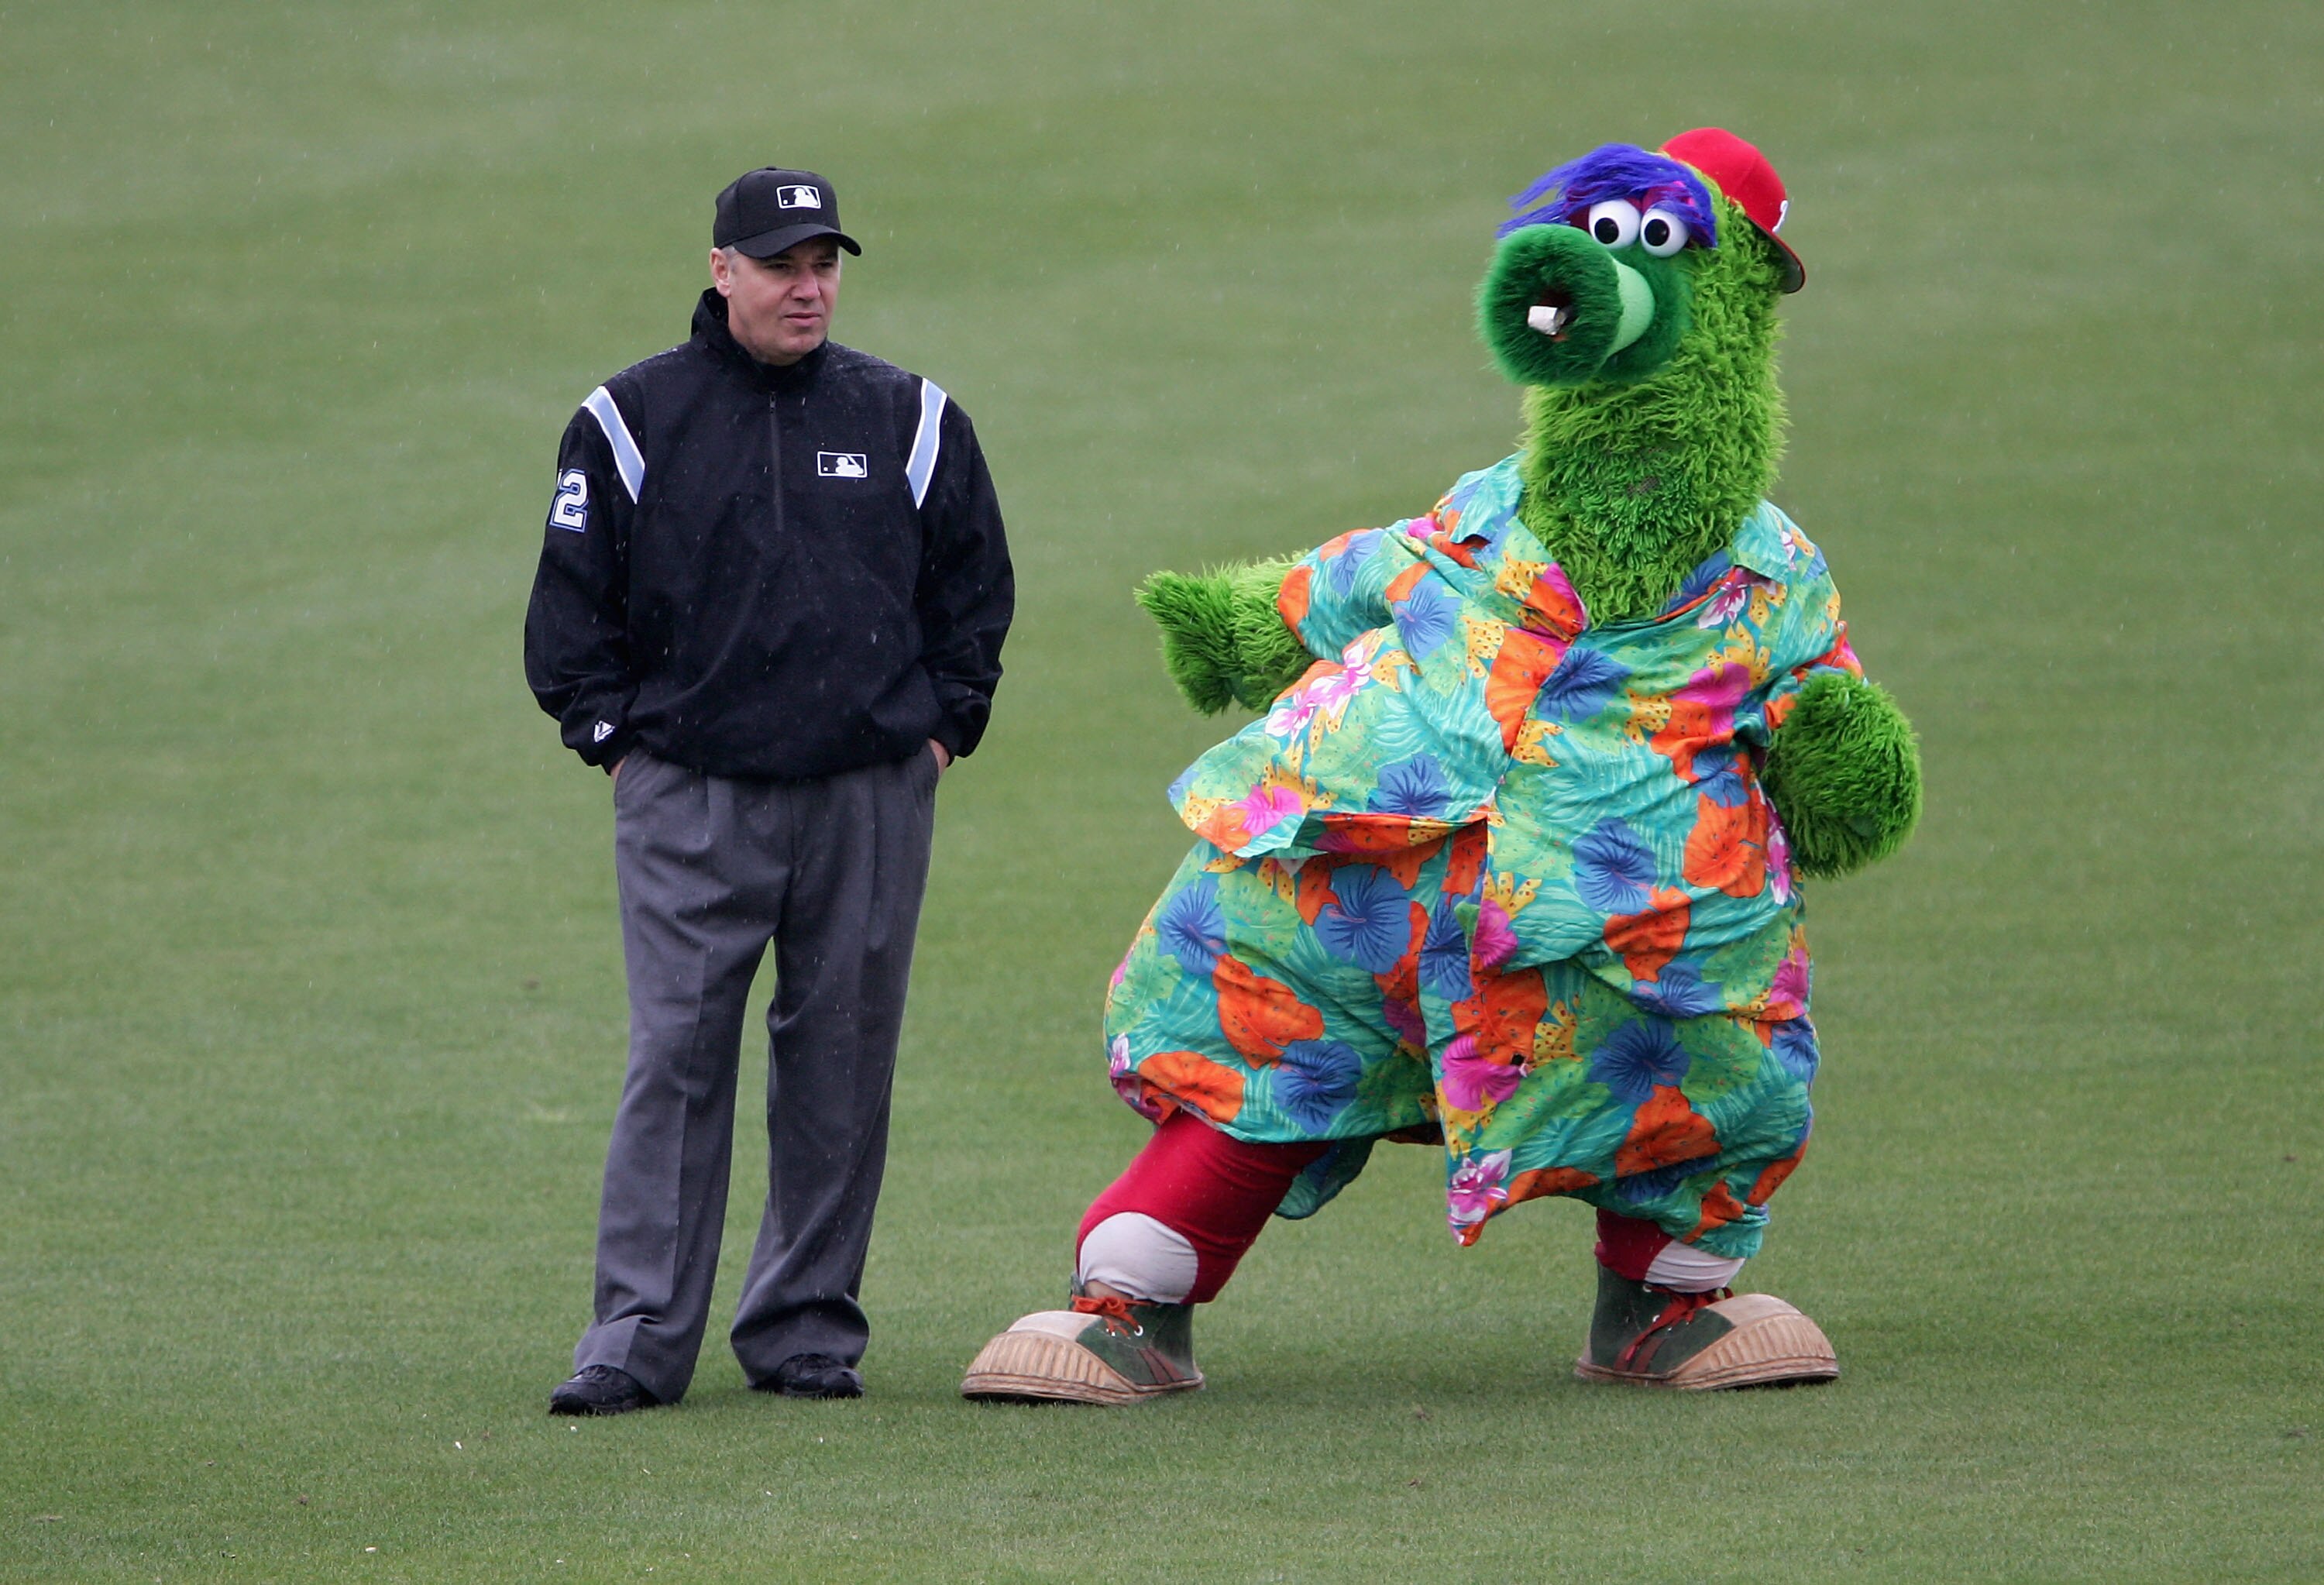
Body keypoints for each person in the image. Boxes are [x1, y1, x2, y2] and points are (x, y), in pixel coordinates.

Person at [526, 166, 1012, 1414]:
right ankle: (636, 1335)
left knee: (842, 1059)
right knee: (678, 1057)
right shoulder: (633, 418)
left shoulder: (909, 415)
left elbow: (972, 590)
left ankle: (804, 1327)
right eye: (784, 264)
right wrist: (618, 745)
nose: (810, 287)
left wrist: (941, 734)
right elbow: (569, 611)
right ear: (721, 268)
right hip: (691, 799)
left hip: (868, 796)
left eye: (825, 264)